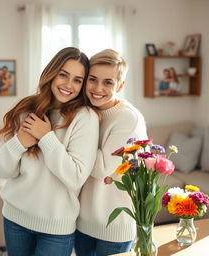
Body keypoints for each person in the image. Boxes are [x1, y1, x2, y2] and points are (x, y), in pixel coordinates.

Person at [0, 47, 99, 256]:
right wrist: (20, 141)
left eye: (78, 80)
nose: (68, 85)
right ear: (52, 73)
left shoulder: (85, 118)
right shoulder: (24, 108)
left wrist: (46, 137)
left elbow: (75, 177)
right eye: (63, 75)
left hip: (56, 229)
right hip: (15, 219)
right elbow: (2, 170)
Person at [75, 49, 147, 256]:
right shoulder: (86, 111)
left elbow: (102, 169)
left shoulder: (127, 118)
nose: (98, 88)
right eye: (93, 79)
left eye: (108, 82)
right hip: (83, 221)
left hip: (114, 226)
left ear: (121, 86)